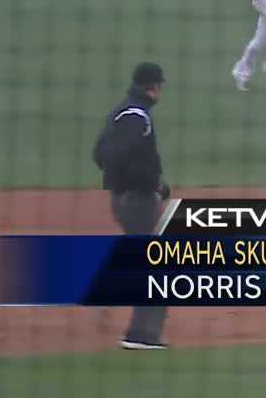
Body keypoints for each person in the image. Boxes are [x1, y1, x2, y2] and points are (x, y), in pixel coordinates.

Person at [92, 62, 171, 350]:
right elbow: (114, 156)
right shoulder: (138, 117)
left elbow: (99, 153)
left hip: (125, 198)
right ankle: (142, 335)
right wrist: (145, 182)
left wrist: (153, 183)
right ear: (153, 87)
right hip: (136, 200)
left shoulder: (122, 111)